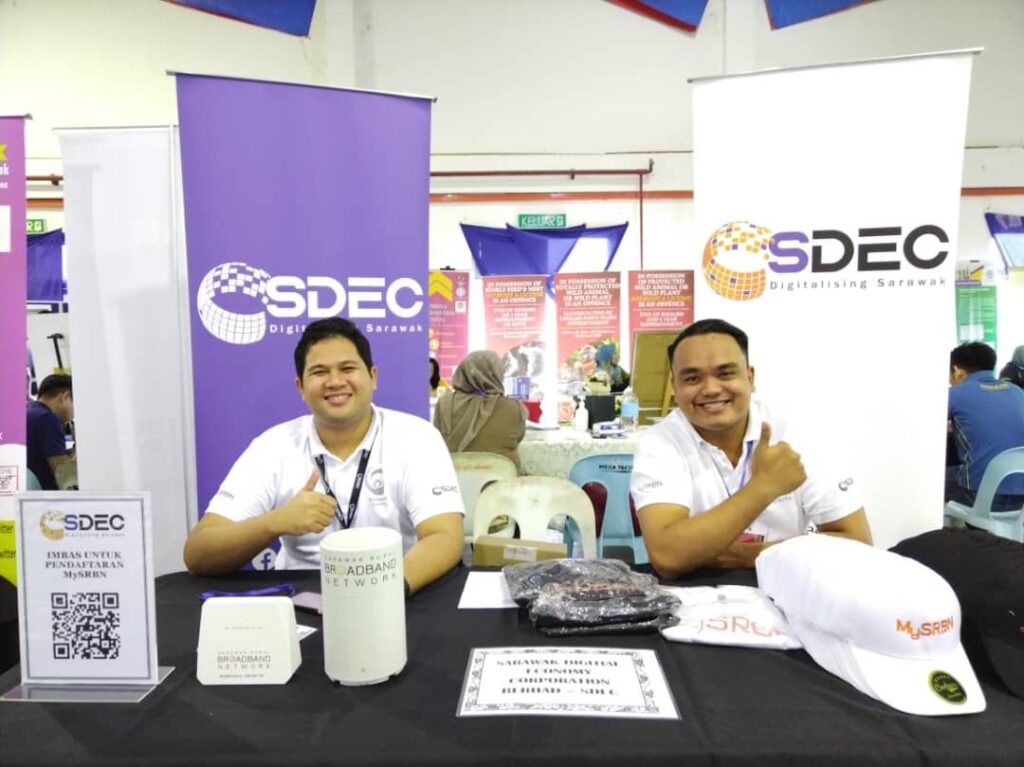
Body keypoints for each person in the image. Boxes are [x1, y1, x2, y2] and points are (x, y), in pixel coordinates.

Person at [183, 318, 465, 594]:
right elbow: (198, 552)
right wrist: (275, 522)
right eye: (319, 372)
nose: (335, 381)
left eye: (347, 368)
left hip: (399, 591)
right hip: (301, 600)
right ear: (301, 388)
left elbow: (444, 536)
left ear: (373, 377)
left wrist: (383, 594)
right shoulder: (273, 446)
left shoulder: (416, 437)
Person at [630, 319, 872, 578]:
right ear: (674, 386)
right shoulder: (660, 441)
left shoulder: (797, 433)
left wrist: (742, 555)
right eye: (692, 378)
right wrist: (764, 486)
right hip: (695, 589)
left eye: (725, 374)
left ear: (750, 377)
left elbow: (858, 544)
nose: (711, 389)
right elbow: (668, 556)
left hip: (787, 583)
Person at [947, 341, 1024, 510]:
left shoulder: (954, 394)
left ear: (957, 370)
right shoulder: (1018, 392)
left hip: (980, 498)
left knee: (934, 479)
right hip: (1020, 502)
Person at [434, 350, 527, 473]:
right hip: (503, 480)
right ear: (498, 373)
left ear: (463, 371)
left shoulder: (445, 403)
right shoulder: (514, 407)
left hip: (457, 478)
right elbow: (519, 436)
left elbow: (438, 440)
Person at [26, 374, 75, 490]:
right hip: (42, 495)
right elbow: (64, 476)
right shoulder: (48, 419)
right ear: (66, 397)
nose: (74, 414)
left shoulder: (27, 412)